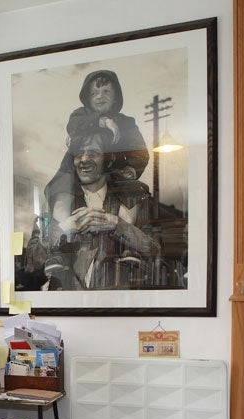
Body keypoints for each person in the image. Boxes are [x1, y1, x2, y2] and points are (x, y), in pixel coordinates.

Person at [44, 124, 159, 290]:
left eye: (93, 153)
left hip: (118, 306)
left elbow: (156, 250)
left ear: (108, 158)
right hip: (66, 308)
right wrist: (64, 229)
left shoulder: (134, 199)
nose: (84, 160)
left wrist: (118, 225)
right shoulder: (57, 202)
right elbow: (32, 260)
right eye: (78, 154)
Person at [44, 69, 149, 203]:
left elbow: (140, 152)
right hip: (76, 172)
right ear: (88, 98)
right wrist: (103, 122)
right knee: (61, 192)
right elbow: (73, 124)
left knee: (129, 196)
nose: (100, 96)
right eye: (94, 93)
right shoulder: (80, 115)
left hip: (112, 174)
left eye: (106, 91)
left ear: (116, 97)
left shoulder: (126, 123)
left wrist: (132, 168)